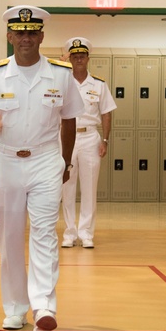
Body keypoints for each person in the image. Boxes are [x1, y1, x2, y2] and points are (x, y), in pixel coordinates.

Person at [0, 5, 83, 331]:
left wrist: (67, 161)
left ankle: (43, 305)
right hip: (6, 163)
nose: (26, 39)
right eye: (20, 33)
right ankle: (15, 308)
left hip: (46, 160)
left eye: (32, 33)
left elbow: (70, 119)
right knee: (11, 235)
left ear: (41, 36)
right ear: (9, 36)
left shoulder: (60, 74)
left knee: (45, 233)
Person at [59, 37, 116, 249]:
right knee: (67, 186)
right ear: (70, 59)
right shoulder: (62, 82)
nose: (79, 59)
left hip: (90, 137)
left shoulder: (99, 85)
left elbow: (107, 113)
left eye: (82, 56)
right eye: (75, 56)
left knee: (90, 187)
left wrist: (105, 140)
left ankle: (86, 233)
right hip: (65, 137)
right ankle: (69, 233)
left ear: (88, 58)